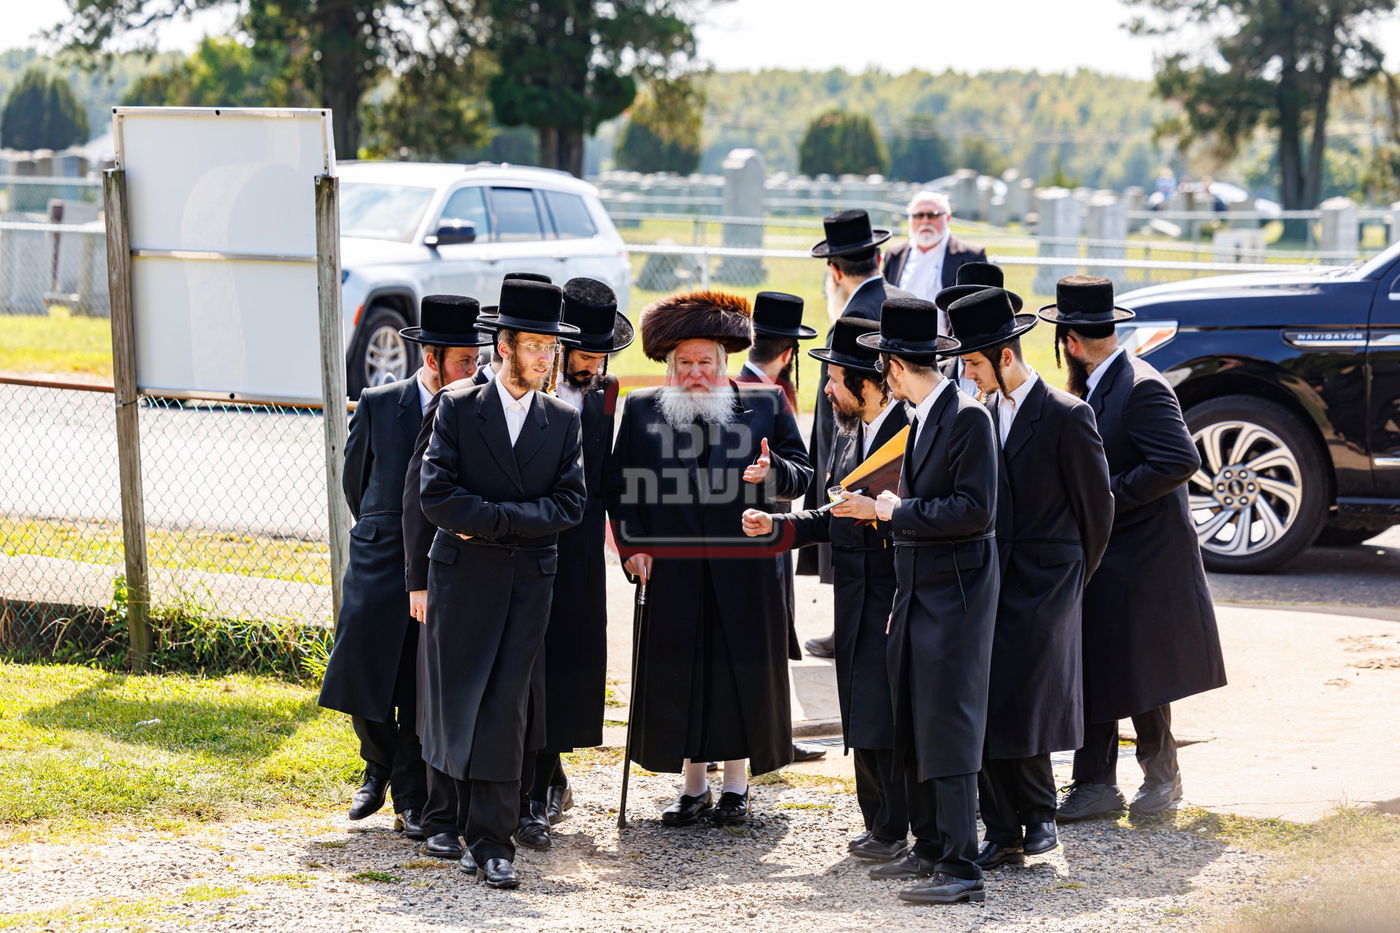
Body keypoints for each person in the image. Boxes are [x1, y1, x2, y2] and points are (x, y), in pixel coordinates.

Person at [607, 289, 812, 826]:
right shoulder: (642, 408)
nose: (695, 373)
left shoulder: (765, 403)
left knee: (735, 673)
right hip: (672, 573)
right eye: (685, 364)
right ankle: (693, 786)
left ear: (724, 364)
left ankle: (737, 788)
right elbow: (621, 489)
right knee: (686, 676)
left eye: (705, 363)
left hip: (745, 569)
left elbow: (802, 471)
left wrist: (774, 476)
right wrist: (633, 549)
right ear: (670, 366)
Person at [417, 278, 587, 889]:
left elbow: (570, 504)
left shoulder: (564, 420)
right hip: (461, 579)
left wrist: (492, 524)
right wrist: (516, 522)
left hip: (526, 584)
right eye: (537, 346)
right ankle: (448, 817)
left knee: (505, 706)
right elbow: (435, 495)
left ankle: (494, 841)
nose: (547, 359)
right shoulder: (459, 407)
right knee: (456, 695)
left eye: (552, 349)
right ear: (504, 347)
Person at [1038, 275, 1227, 822]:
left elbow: (1179, 460)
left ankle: (1162, 776)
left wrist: (1107, 498)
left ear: (1069, 341)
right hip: (1106, 550)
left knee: (1141, 670)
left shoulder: (1141, 385)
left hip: (1144, 553)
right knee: (1095, 661)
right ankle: (1095, 783)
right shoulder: (1099, 383)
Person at [941, 286, 1113, 868]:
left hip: (1048, 582)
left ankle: (1039, 819)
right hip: (990, 579)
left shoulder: (1068, 415)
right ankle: (1002, 826)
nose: (968, 375)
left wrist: (1070, 579)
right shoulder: (978, 414)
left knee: (1032, 700)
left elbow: (1098, 510)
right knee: (986, 701)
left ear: (1005, 357)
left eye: (972, 364)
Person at [318, 294, 488, 842]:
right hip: (379, 551)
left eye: (478, 360)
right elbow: (354, 479)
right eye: (464, 361)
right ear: (432, 358)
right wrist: (381, 527)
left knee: (421, 682)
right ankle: (378, 763)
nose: (474, 370)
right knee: (360, 670)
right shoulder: (378, 400)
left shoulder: (476, 408)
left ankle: (410, 796)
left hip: (443, 559)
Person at [741, 316, 910, 861]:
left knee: (887, 709)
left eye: (836, 379)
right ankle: (874, 817)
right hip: (854, 595)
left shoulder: (909, 432)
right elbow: (834, 512)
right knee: (859, 704)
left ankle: (895, 823)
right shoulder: (846, 431)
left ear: (868, 382)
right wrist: (780, 527)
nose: (828, 390)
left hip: (894, 592)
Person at [851, 296, 999, 906]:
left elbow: (974, 510)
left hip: (957, 596)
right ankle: (933, 844)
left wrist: (888, 510)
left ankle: (962, 865)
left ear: (892, 364)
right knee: (915, 716)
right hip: (920, 593)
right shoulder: (923, 418)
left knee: (951, 724)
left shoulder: (967, 418)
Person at [519, 277, 632, 847]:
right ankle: (532, 780)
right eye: (586, 356)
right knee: (529, 659)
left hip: (583, 546)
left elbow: (610, 478)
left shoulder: (605, 395)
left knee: (569, 659)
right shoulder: (530, 386)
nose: (594, 367)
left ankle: (548, 776)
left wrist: (630, 544)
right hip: (532, 538)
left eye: (601, 357)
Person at [802, 210, 913, 659]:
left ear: (834, 270)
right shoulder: (901, 299)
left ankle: (847, 625)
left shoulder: (852, 319)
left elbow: (838, 408)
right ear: (879, 256)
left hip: (866, 442)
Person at [882, 191, 987, 317]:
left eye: (933, 215)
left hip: (948, 336)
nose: (925, 221)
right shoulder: (895, 255)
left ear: (947, 218)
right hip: (899, 335)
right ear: (910, 219)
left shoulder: (971, 256)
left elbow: (981, 308)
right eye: (918, 215)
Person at [932, 262, 1014, 398]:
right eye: (964, 308)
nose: (973, 320)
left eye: (984, 310)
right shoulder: (934, 377)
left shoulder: (1014, 376)